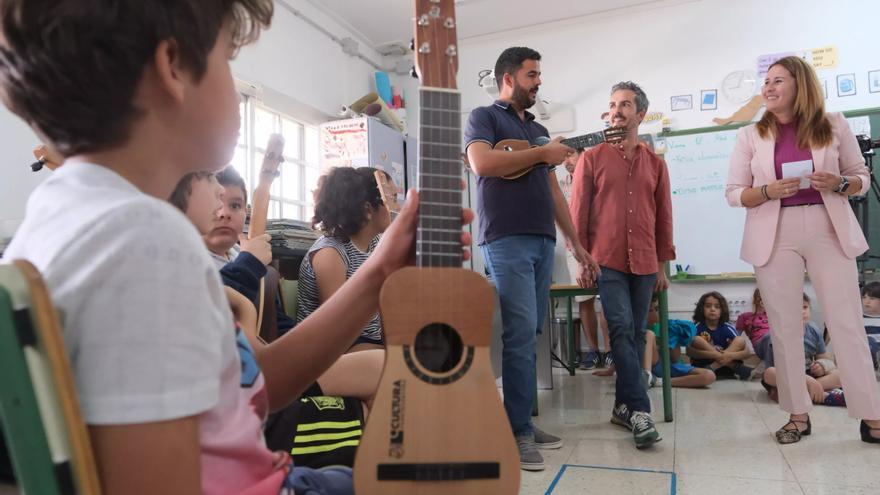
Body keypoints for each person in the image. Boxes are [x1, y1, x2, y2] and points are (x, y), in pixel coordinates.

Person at [0, 3, 473, 494]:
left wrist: (377, 273)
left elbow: (251, 388)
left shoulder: (71, 217)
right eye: (228, 58)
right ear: (173, 68)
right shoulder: (140, 244)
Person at [725, 55, 880, 445]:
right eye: (767, 82)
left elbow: (862, 177)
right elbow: (733, 193)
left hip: (828, 225)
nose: (769, 87)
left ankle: (872, 416)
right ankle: (797, 415)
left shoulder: (833, 124)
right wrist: (766, 191)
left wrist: (839, 182)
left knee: (847, 323)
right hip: (775, 231)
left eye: (778, 80)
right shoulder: (750, 135)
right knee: (785, 328)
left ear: (800, 85)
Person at [464, 46, 599, 471]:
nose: (538, 81)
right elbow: (481, 163)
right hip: (504, 239)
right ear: (509, 78)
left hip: (542, 240)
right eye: (531, 75)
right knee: (520, 335)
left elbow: (555, 191)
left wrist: (575, 244)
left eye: (539, 74)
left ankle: (520, 421)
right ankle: (518, 431)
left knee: (533, 332)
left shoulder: (539, 129)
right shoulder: (484, 117)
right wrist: (542, 154)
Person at [570, 81, 674, 449]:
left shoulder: (656, 164)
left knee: (633, 334)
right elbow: (577, 213)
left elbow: (663, 218)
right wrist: (581, 257)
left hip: (645, 260)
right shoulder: (591, 157)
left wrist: (662, 265)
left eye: (626, 104)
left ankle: (621, 408)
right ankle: (642, 412)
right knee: (619, 327)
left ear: (640, 114)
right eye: (613, 104)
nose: (617, 110)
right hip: (606, 259)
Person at [297, 166, 391, 352]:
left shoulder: (376, 245)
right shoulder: (330, 253)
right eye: (391, 200)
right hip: (330, 349)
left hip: (367, 343)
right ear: (368, 209)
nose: (397, 208)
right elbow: (335, 328)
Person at [558, 149, 608, 370]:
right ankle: (594, 352)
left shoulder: (599, 176)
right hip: (574, 249)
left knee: (608, 298)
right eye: (564, 157)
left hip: (602, 246)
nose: (566, 161)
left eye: (571, 155)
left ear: (583, 155)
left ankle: (610, 351)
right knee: (583, 299)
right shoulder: (561, 183)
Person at [760, 294, 846, 420]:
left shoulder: (814, 330)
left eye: (805, 307)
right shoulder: (772, 337)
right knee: (769, 373)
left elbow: (824, 358)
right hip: (785, 378)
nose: (802, 311)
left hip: (809, 374)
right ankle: (818, 394)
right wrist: (807, 380)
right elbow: (772, 370)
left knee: (840, 374)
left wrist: (822, 366)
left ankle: (802, 393)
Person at [644, 297, 715, 389]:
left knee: (709, 376)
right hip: (652, 366)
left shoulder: (668, 326)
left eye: (657, 309)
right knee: (649, 334)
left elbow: (675, 358)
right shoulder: (640, 328)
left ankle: (658, 381)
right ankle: (647, 376)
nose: (656, 313)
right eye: (650, 310)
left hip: (671, 367)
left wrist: (675, 339)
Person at [686, 291, 753, 380]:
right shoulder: (696, 327)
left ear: (722, 310)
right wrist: (715, 355)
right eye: (708, 306)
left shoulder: (728, 327)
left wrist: (728, 356)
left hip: (723, 369)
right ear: (702, 308)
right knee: (697, 339)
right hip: (704, 366)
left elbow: (747, 352)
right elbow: (689, 352)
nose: (712, 309)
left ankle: (715, 366)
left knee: (739, 340)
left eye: (717, 307)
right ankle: (736, 367)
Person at [861, 281, 880, 370]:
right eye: (864, 297)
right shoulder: (860, 318)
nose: (867, 301)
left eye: (872, 298)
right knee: (870, 342)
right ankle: (873, 363)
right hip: (867, 350)